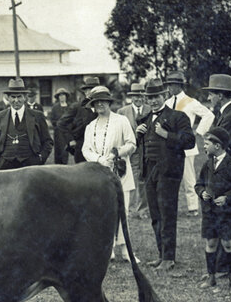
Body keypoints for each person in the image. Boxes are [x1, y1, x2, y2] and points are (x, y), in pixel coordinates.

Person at [137, 77, 195, 272]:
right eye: (149, 98)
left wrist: (166, 135)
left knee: (167, 214)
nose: (153, 101)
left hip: (169, 171)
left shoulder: (179, 117)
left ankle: (169, 258)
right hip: (150, 171)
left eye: (156, 97)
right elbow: (143, 146)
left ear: (165, 95)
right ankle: (162, 255)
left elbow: (190, 141)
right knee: (155, 215)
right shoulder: (144, 119)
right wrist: (139, 134)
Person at [81, 87, 138, 262]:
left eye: (103, 101)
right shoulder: (91, 126)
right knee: (102, 211)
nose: (99, 104)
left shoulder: (121, 121)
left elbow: (132, 143)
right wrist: (99, 159)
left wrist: (116, 153)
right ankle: (108, 249)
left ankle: (126, 249)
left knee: (123, 210)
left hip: (120, 173)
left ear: (109, 102)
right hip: (99, 174)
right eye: (96, 102)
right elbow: (86, 149)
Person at [203, 73, 231, 276]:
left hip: (228, 172)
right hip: (224, 170)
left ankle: (227, 267)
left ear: (220, 95)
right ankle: (229, 265)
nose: (209, 98)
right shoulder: (226, 113)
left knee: (228, 221)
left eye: (211, 94)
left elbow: (216, 141)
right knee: (229, 222)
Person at [195, 127, 231, 291]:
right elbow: (198, 184)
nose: (204, 147)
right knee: (210, 243)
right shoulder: (207, 164)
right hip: (209, 213)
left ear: (218, 145)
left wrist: (227, 197)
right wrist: (202, 193)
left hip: (226, 214)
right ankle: (211, 277)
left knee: (228, 243)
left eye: (206, 144)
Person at [165, 70, 214, 216]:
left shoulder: (191, 102)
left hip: (186, 146)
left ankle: (193, 208)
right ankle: (169, 207)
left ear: (179, 85)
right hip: (169, 144)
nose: (169, 88)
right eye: (168, 85)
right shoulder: (167, 102)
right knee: (170, 177)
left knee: (188, 177)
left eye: (172, 85)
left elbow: (209, 115)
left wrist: (197, 132)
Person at [0, 77, 53, 170]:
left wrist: (40, 158)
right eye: (13, 97)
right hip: (5, 166)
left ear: (25, 97)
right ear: (8, 98)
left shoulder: (37, 116)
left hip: (31, 165)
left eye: (19, 96)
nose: (16, 100)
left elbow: (48, 141)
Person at [117, 81, 149, 218]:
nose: (139, 98)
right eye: (136, 96)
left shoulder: (150, 109)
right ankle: (129, 210)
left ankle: (143, 210)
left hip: (147, 151)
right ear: (131, 97)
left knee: (145, 180)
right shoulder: (122, 112)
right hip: (131, 152)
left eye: (141, 95)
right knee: (131, 179)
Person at [55, 75, 99, 163]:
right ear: (86, 92)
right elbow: (61, 123)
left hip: (100, 146)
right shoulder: (77, 107)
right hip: (82, 146)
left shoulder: (102, 107)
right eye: (91, 90)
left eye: (97, 91)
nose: (94, 93)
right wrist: (70, 139)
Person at [49, 88, 71, 164]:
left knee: (65, 150)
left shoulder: (70, 107)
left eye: (63, 95)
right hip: (58, 132)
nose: (62, 97)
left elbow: (73, 118)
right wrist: (57, 124)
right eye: (60, 96)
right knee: (58, 150)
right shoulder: (55, 107)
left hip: (67, 132)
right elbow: (52, 119)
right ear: (58, 97)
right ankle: (57, 165)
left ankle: (65, 165)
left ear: (66, 97)